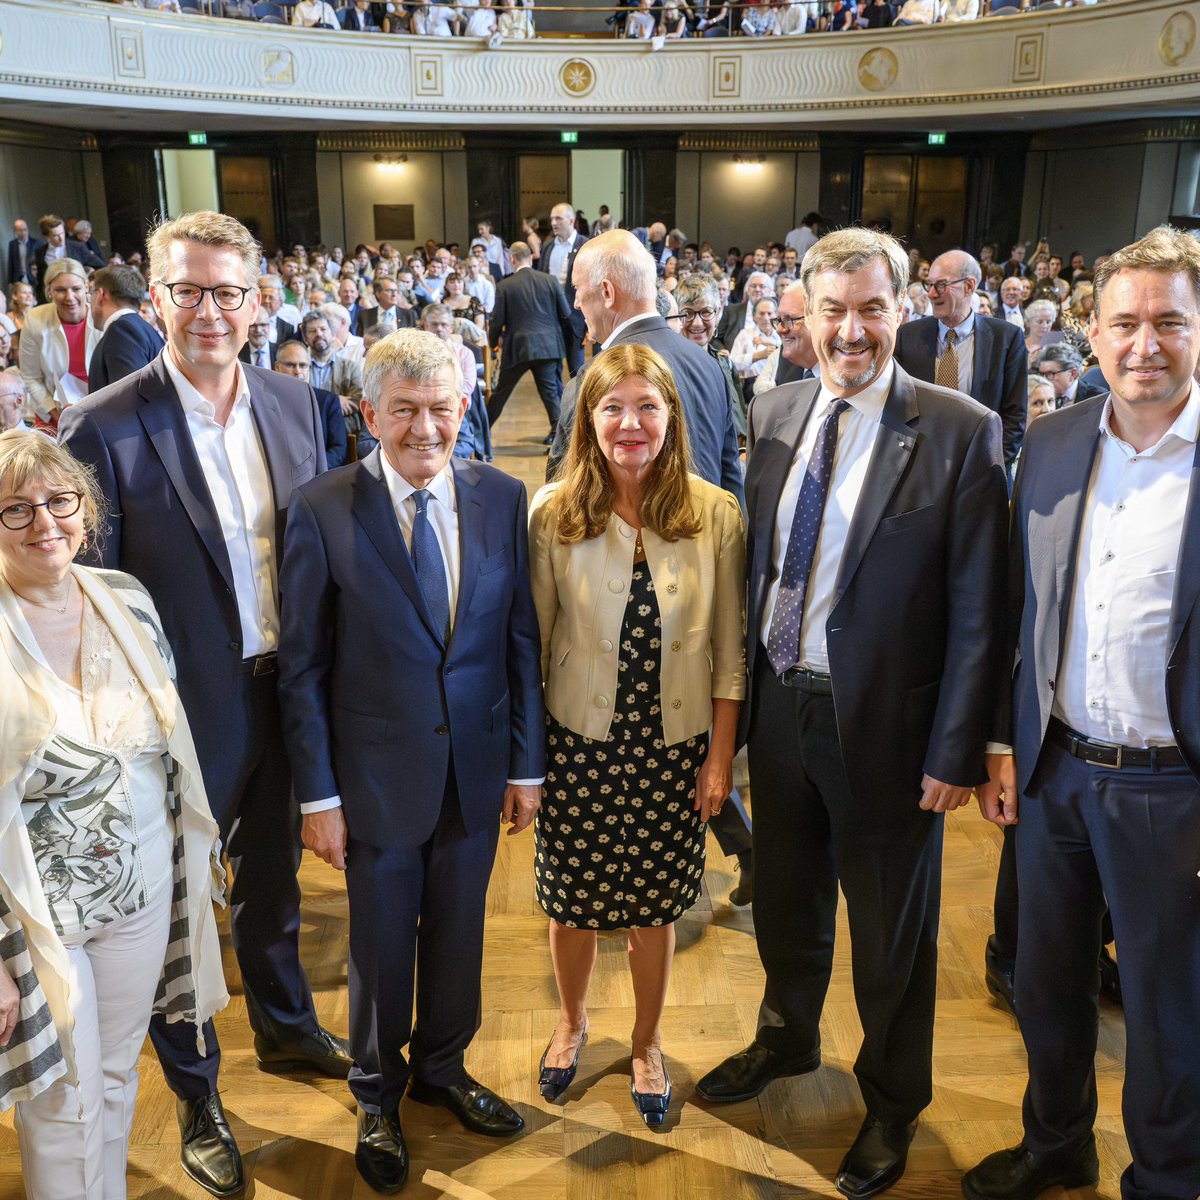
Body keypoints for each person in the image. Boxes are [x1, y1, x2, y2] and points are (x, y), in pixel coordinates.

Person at [696, 227, 1008, 1199]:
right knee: (787, 905)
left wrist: (958, 746)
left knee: (892, 941)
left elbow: (980, 611)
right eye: (832, 310)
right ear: (806, 314)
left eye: (871, 307)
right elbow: (762, 574)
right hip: (784, 711)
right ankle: (787, 1040)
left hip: (892, 735)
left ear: (903, 308)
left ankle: (890, 1103)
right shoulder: (777, 407)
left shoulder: (959, 429)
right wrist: (738, 722)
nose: (851, 330)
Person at [58, 211, 348, 1199]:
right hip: (170, 720)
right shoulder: (102, 424)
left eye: (228, 291)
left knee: (272, 880)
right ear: (157, 295)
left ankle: (286, 1024)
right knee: (176, 911)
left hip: (288, 696)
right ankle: (197, 1091)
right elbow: (84, 597)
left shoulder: (303, 407)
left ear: (259, 300)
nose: (209, 311)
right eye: (187, 290)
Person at [277, 328, 544, 1194]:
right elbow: (304, 667)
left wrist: (525, 767)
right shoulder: (321, 507)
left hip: (474, 772)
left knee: (460, 936)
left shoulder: (505, 498)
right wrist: (317, 794)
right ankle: (377, 1093)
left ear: (463, 408)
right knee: (383, 946)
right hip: (371, 781)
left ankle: (444, 1067)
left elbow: (518, 644)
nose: (423, 427)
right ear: (369, 414)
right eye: (403, 411)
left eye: (440, 408)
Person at [963, 226, 1200, 1200]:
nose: (1145, 342)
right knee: (1045, 981)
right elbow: (1021, 606)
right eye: (1126, 323)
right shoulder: (1056, 443)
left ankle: (1167, 1177)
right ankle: (1056, 1141)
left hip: (1173, 787)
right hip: (1055, 771)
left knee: (1164, 1006)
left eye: (1169, 322)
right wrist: (1003, 739)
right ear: (1091, 336)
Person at [0, 430, 227, 1200]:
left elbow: (165, 753)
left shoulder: (125, 596)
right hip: (38, 918)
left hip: (138, 894)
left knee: (115, 1072)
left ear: (85, 509)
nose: (44, 523)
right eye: (15, 510)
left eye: (59, 501)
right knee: (59, 1099)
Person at [528, 342, 745, 1124]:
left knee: (656, 910)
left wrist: (720, 756)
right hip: (575, 748)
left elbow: (730, 651)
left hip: (673, 749)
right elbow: (533, 647)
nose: (630, 423)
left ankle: (646, 1043)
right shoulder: (551, 513)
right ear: (588, 417)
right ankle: (571, 1021)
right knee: (573, 905)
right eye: (612, 406)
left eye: (647, 406)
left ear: (671, 416)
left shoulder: (715, 512)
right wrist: (528, 765)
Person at [548, 230, 744, 509]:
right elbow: (731, 480)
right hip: (708, 545)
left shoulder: (594, 378)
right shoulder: (710, 366)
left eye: (577, 289)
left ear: (606, 292)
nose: (576, 303)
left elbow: (562, 492)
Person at [895, 250, 1027, 470]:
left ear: (969, 286)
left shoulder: (1007, 338)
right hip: (919, 469)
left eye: (941, 285)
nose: (932, 294)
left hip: (982, 469)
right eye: (930, 285)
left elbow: (1015, 415)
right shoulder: (906, 336)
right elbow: (897, 406)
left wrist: (992, 466)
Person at [489, 241, 574, 434]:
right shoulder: (550, 280)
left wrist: (494, 342)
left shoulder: (504, 286)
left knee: (500, 394)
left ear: (511, 259)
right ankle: (565, 442)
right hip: (548, 346)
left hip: (517, 347)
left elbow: (496, 322)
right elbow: (566, 313)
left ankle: (480, 437)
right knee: (551, 395)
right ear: (530, 256)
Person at [19, 258, 100, 433]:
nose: (69, 297)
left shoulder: (101, 316)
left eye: (76, 289)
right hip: (53, 413)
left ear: (87, 287)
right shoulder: (35, 319)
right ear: (49, 292)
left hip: (100, 409)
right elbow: (30, 377)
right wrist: (57, 414)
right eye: (60, 290)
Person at [87, 264, 163, 393]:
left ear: (101, 295)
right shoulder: (141, 329)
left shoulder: (122, 331)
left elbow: (129, 400)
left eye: (90, 293)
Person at [274, 338, 349, 468]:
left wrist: (311, 470)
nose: (298, 371)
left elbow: (339, 450)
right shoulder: (265, 401)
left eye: (303, 365)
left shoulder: (328, 401)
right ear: (277, 367)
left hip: (318, 477)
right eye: (291, 365)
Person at [539, 203, 589, 377]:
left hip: (575, 318)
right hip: (551, 317)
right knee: (551, 368)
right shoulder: (547, 246)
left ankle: (579, 404)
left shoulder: (585, 245)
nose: (553, 223)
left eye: (558, 218)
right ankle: (560, 404)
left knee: (576, 368)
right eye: (552, 218)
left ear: (571, 220)